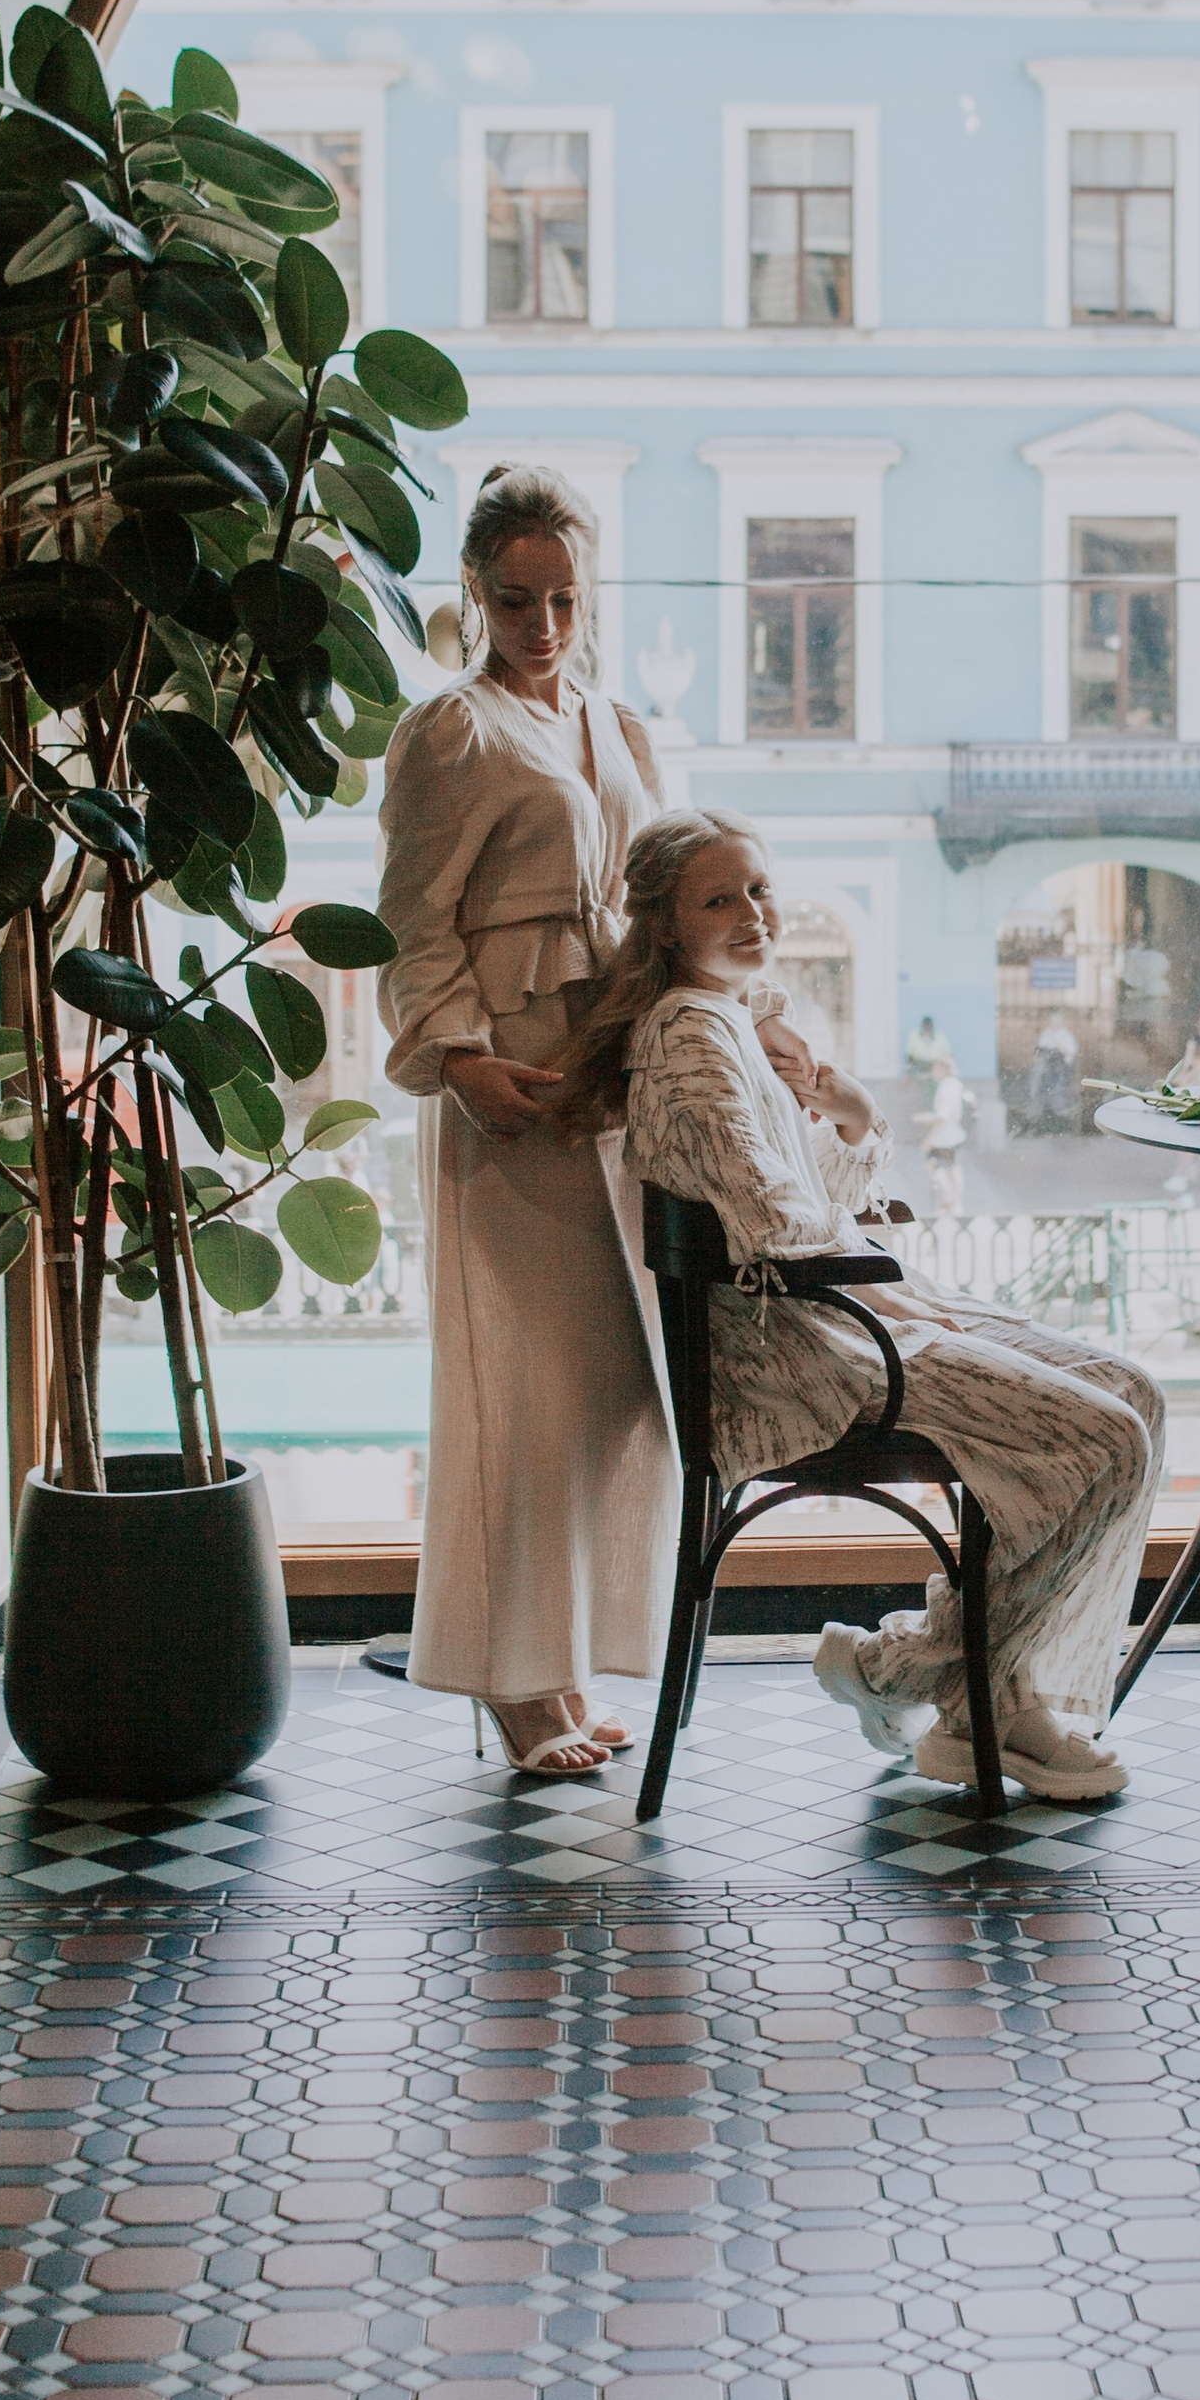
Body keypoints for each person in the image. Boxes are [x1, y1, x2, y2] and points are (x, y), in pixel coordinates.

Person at [562, 811, 1165, 1805]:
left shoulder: (731, 1023)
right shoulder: (687, 1038)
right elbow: (772, 1227)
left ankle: (933, 1677)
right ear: (667, 925)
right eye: (721, 899)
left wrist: (849, 1109)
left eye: (758, 889)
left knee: (1132, 1393)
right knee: (1103, 1440)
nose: (754, 914)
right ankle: (969, 1706)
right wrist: (903, 1295)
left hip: (846, 1317)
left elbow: (807, 1198)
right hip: (799, 1360)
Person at [375, 466, 680, 1774]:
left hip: (605, 1084)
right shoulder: (450, 730)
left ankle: (557, 1667)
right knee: (515, 1399)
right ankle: (509, 1693)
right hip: (509, 1081)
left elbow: (662, 887)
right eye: (515, 599)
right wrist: (457, 1060)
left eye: (561, 598)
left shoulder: (617, 726)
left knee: (608, 1396)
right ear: (475, 594)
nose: (540, 623)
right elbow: (414, 918)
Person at [916, 1059, 969, 1215]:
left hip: (944, 1135)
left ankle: (949, 1199)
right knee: (953, 1167)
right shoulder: (955, 1084)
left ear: (943, 1069)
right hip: (954, 1133)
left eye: (935, 1068)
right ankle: (956, 1202)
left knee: (932, 1163)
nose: (933, 1072)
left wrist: (929, 1138)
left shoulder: (946, 1087)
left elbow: (942, 1117)